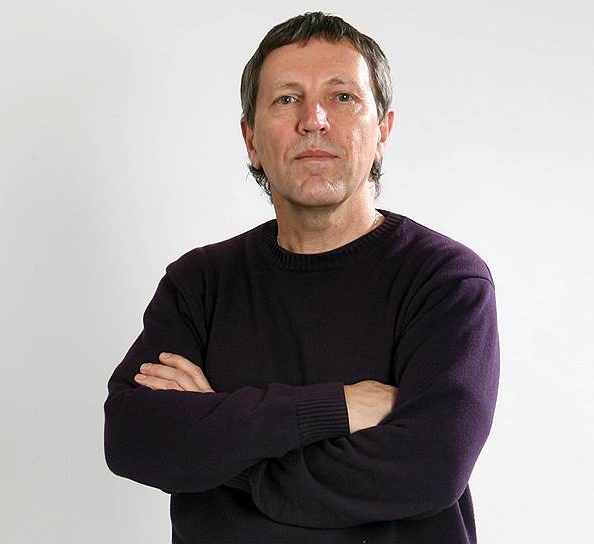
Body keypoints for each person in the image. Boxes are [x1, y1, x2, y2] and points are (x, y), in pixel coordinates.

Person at [103, 11, 500, 543]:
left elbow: (427, 469)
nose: (314, 120)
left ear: (382, 132)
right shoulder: (199, 284)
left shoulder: (445, 282)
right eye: (287, 99)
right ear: (250, 139)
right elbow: (132, 436)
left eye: (343, 97)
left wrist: (222, 444)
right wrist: (334, 408)